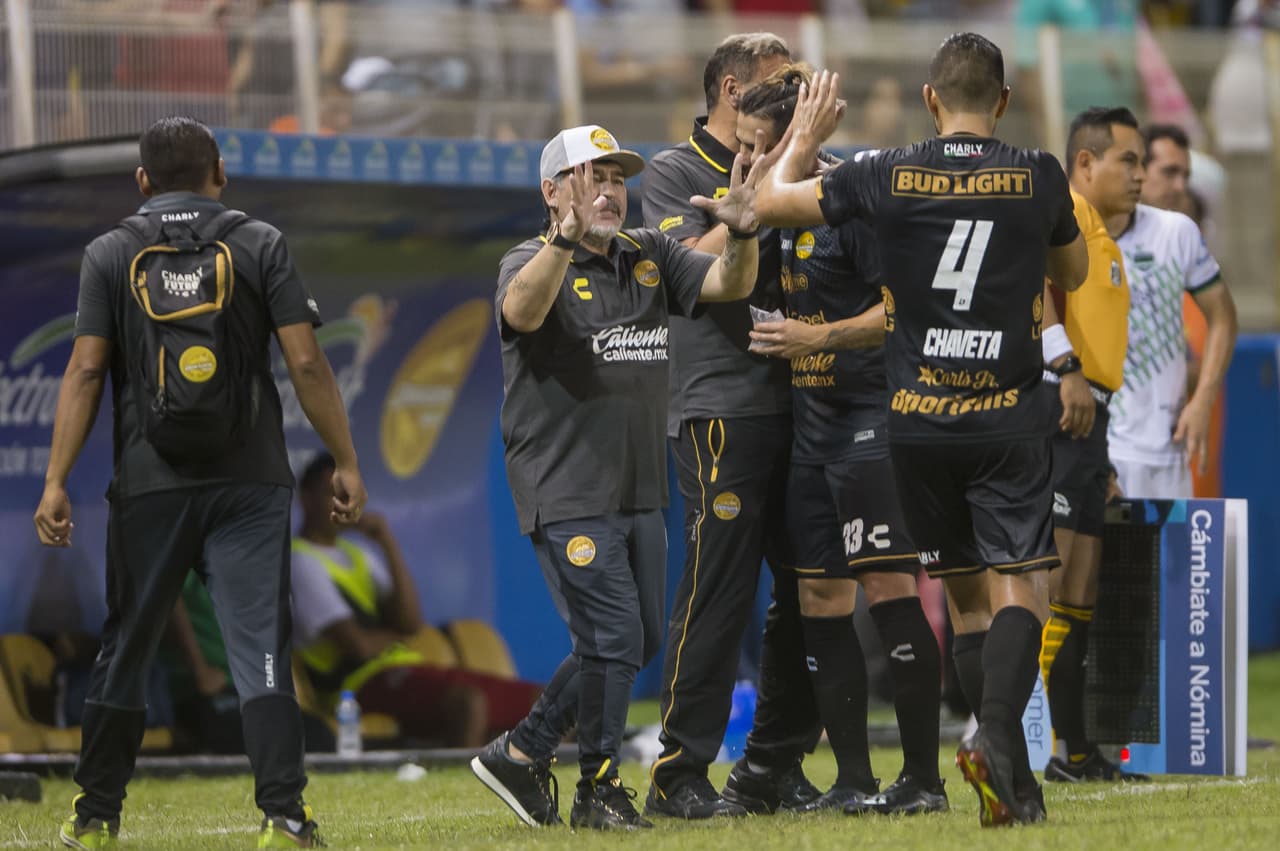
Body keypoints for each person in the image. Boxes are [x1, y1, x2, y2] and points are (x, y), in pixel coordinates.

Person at [755, 34, 1089, 827]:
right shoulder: (1038, 174)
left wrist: (801, 140)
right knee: (1025, 591)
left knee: (968, 601)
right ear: (1003, 102)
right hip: (1005, 414)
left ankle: (1015, 787)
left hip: (915, 424)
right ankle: (995, 731)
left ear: (931, 99)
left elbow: (769, 203)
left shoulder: (884, 172)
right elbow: (1070, 277)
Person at [34, 116, 367, 849]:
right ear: (220, 170)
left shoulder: (111, 252)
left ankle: (94, 818)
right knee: (262, 650)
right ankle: (282, 817)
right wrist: (344, 459)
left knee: (126, 644)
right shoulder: (259, 242)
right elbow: (308, 364)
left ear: (142, 180)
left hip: (150, 481)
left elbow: (85, 370)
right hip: (249, 483)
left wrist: (56, 478)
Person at [470, 123, 763, 831]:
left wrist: (747, 231)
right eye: (591, 176)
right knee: (609, 634)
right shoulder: (527, 261)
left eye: (616, 176)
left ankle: (523, 749)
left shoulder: (649, 254)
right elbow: (520, 312)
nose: (609, 190)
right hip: (565, 483)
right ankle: (597, 788)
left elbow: (729, 281)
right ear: (553, 191)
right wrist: (563, 241)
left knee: (639, 640)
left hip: (639, 486)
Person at [735, 64, 948, 817]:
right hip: (810, 429)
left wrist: (814, 335)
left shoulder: (850, 200)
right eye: (744, 146)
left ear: (801, 135)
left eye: (762, 146)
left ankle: (923, 778)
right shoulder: (762, 213)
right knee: (818, 594)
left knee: (889, 586)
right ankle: (854, 782)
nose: (749, 162)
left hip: (870, 421)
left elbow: (904, 311)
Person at [640, 31, 823, 821]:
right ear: (729, 90)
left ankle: (774, 761)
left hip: (809, 401)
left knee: (809, 592)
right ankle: (680, 769)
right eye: (776, 86)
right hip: (721, 406)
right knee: (716, 590)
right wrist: (762, 193)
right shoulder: (671, 174)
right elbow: (689, 277)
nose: (788, 101)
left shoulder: (804, 158)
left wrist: (795, 163)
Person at [290, 452, 542, 748]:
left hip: (404, 671)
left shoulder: (358, 554)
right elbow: (358, 646)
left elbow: (411, 622)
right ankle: (463, 793)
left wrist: (387, 542)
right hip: (358, 686)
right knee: (468, 704)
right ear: (306, 498)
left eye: (347, 493)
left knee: (542, 701)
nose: (342, 502)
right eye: (330, 493)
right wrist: (398, 637)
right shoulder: (300, 559)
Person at [1037, 106, 1146, 783]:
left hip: (1092, 418)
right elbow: (1032, 290)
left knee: (1079, 588)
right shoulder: (1064, 212)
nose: (1139, 174)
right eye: (1128, 160)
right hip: (1062, 408)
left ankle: (1074, 751)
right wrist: (1064, 367)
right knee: (1048, 584)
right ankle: (1021, 740)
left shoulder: (1101, 230)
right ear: (1086, 163)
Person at [1106, 126, 1239, 498]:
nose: (1181, 187)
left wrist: (1201, 396)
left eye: (1186, 176)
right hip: (1112, 451)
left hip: (1174, 456)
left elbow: (1221, 323)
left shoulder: (1189, 266)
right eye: (1169, 173)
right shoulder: (1092, 240)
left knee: (1184, 552)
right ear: (1137, 170)